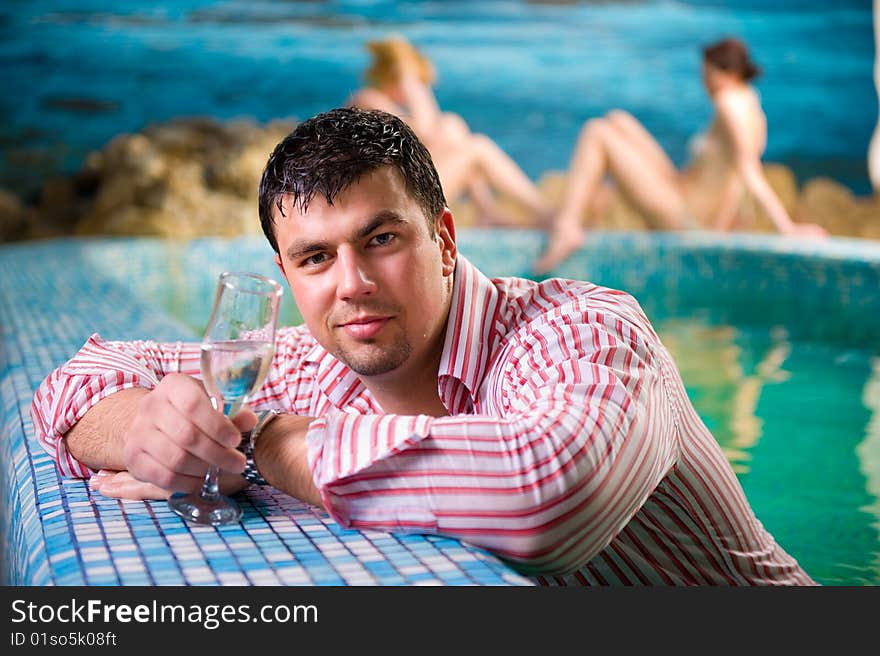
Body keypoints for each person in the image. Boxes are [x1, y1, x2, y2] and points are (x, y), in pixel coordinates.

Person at [31, 107, 816, 585]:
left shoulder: (586, 330)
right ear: (286, 274)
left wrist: (265, 445)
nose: (352, 284)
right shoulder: (306, 360)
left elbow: (544, 499)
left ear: (444, 237)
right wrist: (144, 431)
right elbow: (78, 377)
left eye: (380, 239)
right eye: (315, 258)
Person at [533, 37, 829, 275]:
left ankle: (568, 227)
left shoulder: (728, 104)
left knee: (597, 131)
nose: (705, 83)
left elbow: (748, 170)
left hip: (685, 216)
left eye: (709, 75)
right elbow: (735, 176)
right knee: (618, 119)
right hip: (683, 191)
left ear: (730, 73)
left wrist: (786, 228)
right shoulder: (749, 99)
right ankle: (583, 211)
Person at [348, 34, 551, 227]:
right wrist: (412, 84)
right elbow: (424, 132)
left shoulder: (386, 105)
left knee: (452, 125)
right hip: (391, 202)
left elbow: (428, 135)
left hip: (402, 194)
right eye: (416, 82)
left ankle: (486, 210)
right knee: (478, 147)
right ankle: (546, 214)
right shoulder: (367, 98)